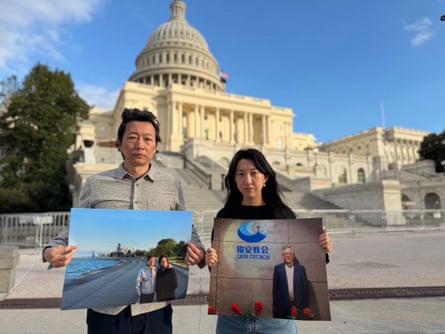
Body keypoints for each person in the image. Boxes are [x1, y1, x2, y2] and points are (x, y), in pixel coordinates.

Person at [43, 108, 218, 334]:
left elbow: (187, 230)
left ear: (156, 146)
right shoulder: (96, 184)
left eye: (147, 139)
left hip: (156, 310)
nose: (140, 145)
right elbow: (74, 230)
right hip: (106, 311)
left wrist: (200, 254)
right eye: (132, 138)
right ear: (120, 143)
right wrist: (51, 251)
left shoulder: (171, 185)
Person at [211, 148, 332, 334]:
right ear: (234, 179)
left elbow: (300, 264)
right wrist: (210, 260)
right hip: (232, 319)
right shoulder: (225, 217)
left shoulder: (282, 215)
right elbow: (218, 269)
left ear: (266, 177)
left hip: (275, 321)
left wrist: (321, 248)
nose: (247, 180)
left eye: (254, 173)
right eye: (241, 174)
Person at [273, 246, 310, 319]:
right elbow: (275, 288)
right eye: (285, 254)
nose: (288, 255)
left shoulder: (301, 269)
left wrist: (306, 306)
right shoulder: (278, 268)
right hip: (282, 304)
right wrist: (275, 304)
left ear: (293, 255)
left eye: (290, 253)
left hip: (298, 305)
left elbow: (305, 288)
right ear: (283, 256)